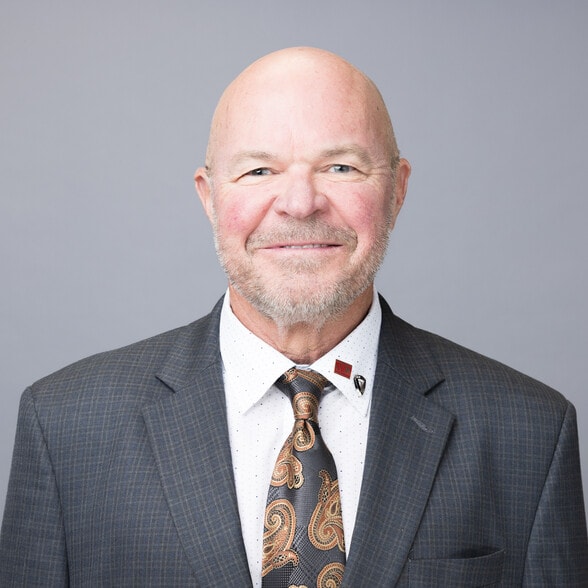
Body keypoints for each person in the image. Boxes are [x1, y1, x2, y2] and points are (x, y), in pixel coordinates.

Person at [1, 46, 586, 587]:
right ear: (209, 197)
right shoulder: (65, 429)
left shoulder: (530, 434)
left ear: (397, 190)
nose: (301, 204)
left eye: (342, 167)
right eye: (259, 171)